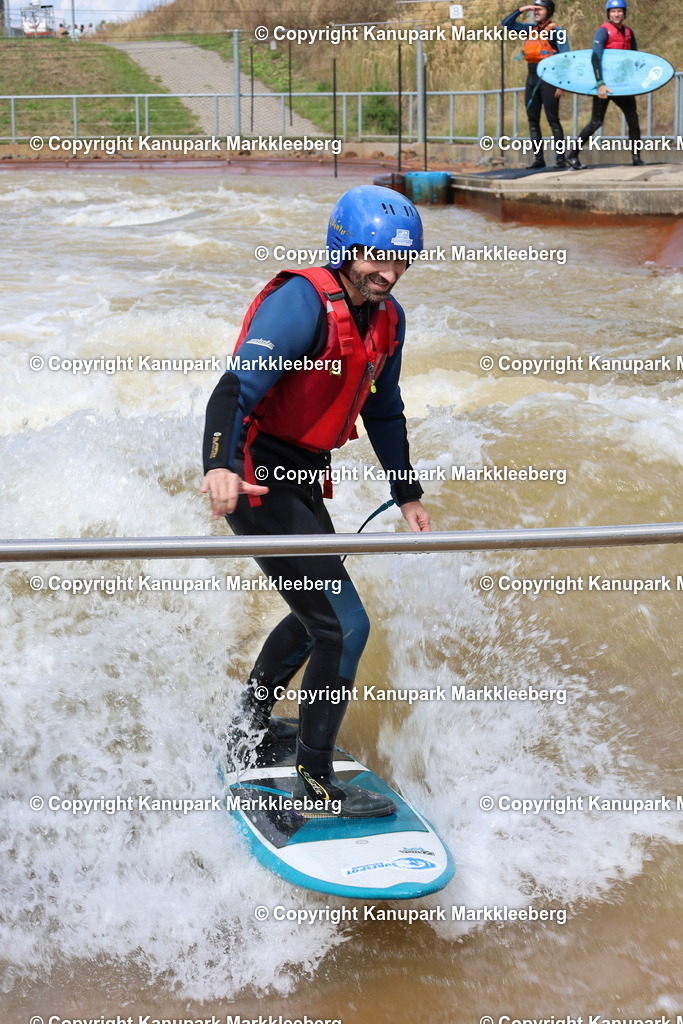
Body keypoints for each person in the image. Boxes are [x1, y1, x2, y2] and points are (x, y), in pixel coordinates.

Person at [201, 186, 430, 818]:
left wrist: (405, 491)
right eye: (377, 257)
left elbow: (384, 409)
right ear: (344, 247)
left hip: (301, 476)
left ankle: (248, 728)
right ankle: (317, 779)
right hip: (256, 478)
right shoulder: (302, 302)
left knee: (316, 616)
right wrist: (218, 466)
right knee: (342, 624)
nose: (389, 271)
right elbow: (232, 392)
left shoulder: (389, 319)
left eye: (402, 260)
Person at [566, 0, 643, 169]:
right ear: (609, 13)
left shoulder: (629, 32)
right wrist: (600, 83)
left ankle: (636, 157)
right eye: (613, 11)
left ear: (624, 13)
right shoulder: (603, 31)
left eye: (620, 11)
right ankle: (571, 155)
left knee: (633, 120)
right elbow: (595, 57)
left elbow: (636, 58)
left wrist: (638, 81)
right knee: (596, 122)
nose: (617, 14)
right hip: (605, 85)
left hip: (623, 85)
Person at [502, 1, 570, 169]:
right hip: (532, 78)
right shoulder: (530, 29)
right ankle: (539, 159)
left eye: (540, 9)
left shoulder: (556, 31)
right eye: (535, 9)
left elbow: (566, 58)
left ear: (549, 11)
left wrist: (561, 84)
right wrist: (522, 10)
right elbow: (506, 24)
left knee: (553, 119)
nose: (536, 12)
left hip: (550, 80)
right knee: (533, 119)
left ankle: (560, 158)